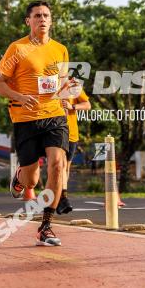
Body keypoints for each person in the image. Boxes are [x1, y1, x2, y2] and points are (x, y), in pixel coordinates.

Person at [0, 0, 80, 246]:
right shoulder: (17, 48)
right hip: (26, 118)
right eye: (37, 16)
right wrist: (20, 97)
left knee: (57, 165)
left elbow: (62, 81)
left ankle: (46, 226)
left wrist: (66, 94)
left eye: (46, 15)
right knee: (32, 179)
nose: (42, 19)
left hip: (54, 116)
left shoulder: (60, 49)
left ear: (51, 21)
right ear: (28, 21)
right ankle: (20, 178)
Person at [57, 86, 91, 214]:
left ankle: (60, 196)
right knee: (61, 164)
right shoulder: (48, 83)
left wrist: (73, 107)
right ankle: (63, 197)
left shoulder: (73, 86)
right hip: (56, 132)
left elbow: (87, 104)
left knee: (66, 168)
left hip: (72, 134)